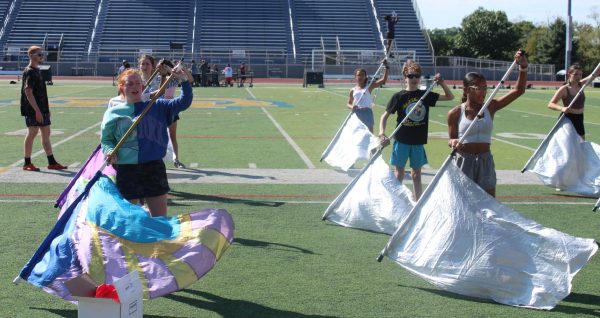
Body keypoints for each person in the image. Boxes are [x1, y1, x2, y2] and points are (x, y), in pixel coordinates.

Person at [100, 67, 193, 217]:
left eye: (138, 83)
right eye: (129, 84)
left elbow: (184, 102)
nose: (135, 86)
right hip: (127, 169)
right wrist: (109, 151)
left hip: (153, 168)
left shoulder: (158, 106)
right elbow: (106, 140)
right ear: (121, 87)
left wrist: (184, 81)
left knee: (159, 220)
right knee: (129, 221)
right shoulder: (113, 112)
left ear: (143, 86)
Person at [447, 50, 528, 197]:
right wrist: (453, 142)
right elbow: (451, 138)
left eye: (485, 88)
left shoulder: (491, 106)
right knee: (463, 202)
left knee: (489, 203)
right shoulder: (455, 113)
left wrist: (522, 67)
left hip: (485, 160)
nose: (483, 92)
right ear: (466, 89)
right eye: (478, 88)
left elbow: (519, 90)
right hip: (464, 161)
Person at [379, 60, 454, 200]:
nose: (414, 79)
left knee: (416, 174)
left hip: (417, 141)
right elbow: (384, 116)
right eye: (411, 76)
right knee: (399, 173)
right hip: (401, 139)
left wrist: (442, 82)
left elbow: (450, 97)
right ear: (405, 77)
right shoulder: (399, 96)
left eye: (417, 76)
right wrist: (382, 133)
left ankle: (418, 200)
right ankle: (395, 200)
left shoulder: (425, 95)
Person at [20, 45, 67, 171]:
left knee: (46, 133)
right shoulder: (30, 71)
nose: (42, 56)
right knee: (32, 132)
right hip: (33, 110)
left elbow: (40, 92)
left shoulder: (38, 70)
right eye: (39, 54)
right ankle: (27, 162)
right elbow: (28, 92)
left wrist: (45, 109)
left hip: (42, 108)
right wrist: (37, 111)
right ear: (31, 56)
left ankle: (52, 162)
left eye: (42, 54)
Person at [547, 64, 600, 140]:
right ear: (569, 74)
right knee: (568, 144)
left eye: (580, 75)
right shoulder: (564, 89)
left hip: (579, 118)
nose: (578, 77)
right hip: (568, 118)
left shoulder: (581, 85)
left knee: (581, 144)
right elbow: (550, 104)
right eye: (575, 74)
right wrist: (561, 108)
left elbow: (594, 74)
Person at [157, 59, 186, 168]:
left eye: (161, 67)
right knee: (157, 135)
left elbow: (189, 79)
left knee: (173, 136)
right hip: (159, 107)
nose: (158, 69)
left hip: (170, 106)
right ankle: (157, 159)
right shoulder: (158, 78)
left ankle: (176, 159)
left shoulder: (173, 77)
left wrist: (177, 67)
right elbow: (160, 91)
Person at [347, 60, 389, 132]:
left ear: (365, 77)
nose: (360, 77)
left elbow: (383, 80)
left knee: (369, 133)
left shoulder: (369, 87)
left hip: (367, 112)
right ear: (355, 77)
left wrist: (386, 67)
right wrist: (352, 107)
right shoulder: (352, 90)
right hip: (356, 112)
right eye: (358, 75)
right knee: (356, 133)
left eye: (362, 75)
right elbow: (348, 103)